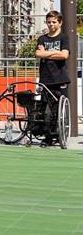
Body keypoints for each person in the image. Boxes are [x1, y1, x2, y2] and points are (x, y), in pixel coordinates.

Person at [36, 10, 70, 146]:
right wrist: (56, 52)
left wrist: (47, 53)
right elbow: (38, 53)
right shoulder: (42, 39)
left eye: (54, 22)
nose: (51, 24)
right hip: (45, 79)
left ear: (60, 22)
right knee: (45, 109)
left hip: (60, 79)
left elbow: (64, 55)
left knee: (58, 109)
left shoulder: (63, 38)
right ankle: (47, 136)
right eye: (49, 22)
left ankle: (58, 135)